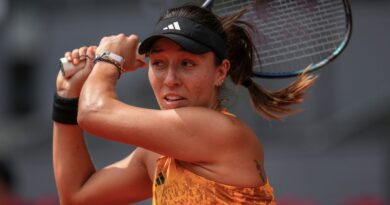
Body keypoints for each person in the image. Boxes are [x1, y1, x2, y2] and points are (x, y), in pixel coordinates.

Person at [52, 5, 316, 205]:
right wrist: (67, 95)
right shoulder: (155, 154)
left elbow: (95, 113)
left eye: (187, 64)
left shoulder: (221, 132)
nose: (170, 79)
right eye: (158, 63)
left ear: (221, 72)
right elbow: (77, 195)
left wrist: (109, 58)